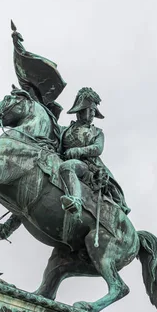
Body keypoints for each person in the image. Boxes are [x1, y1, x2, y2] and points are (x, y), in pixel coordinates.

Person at [58, 87, 130, 217]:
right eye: (90, 110)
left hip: (88, 166)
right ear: (80, 110)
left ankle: (75, 201)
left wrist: (79, 151)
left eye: (94, 111)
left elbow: (98, 148)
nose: (92, 114)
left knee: (68, 167)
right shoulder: (64, 130)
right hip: (62, 158)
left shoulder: (97, 133)